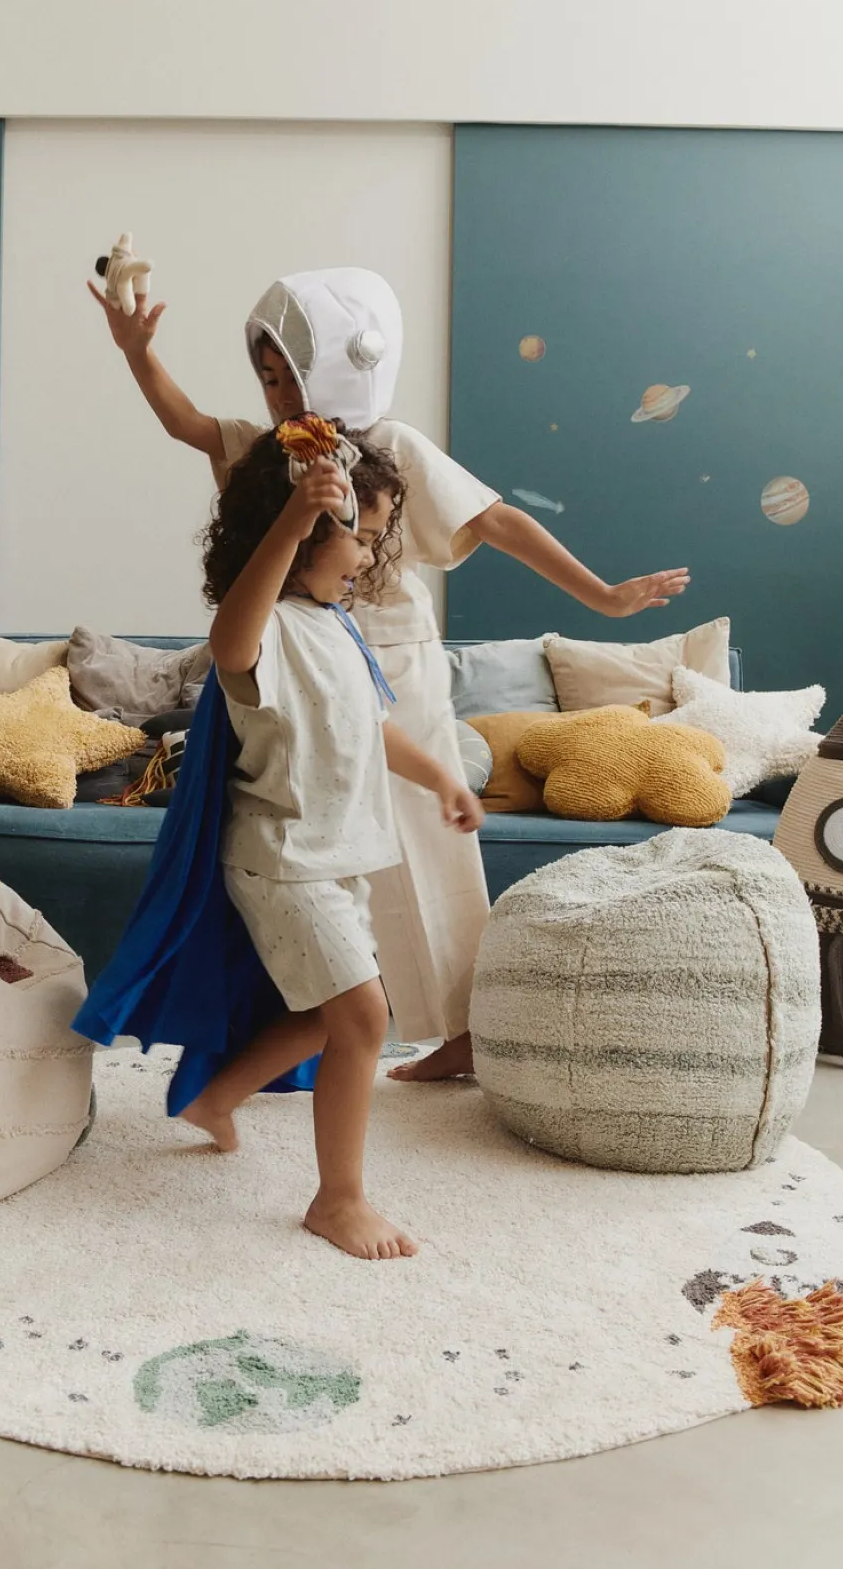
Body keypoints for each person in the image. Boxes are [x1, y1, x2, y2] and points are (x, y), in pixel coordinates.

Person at [89, 264, 690, 1082]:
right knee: (294, 840)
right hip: (297, 655)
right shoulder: (273, 457)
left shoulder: (393, 447)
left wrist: (602, 596)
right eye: (266, 378)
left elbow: (497, 520)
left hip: (390, 658)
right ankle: (288, 1029)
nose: (276, 394)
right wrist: (136, 351)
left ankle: (463, 1027)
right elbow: (188, 423)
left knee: (427, 844)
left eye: (288, 375)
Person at [154, 416, 482, 1259]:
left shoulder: (338, 625)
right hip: (284, 862)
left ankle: (214, 1099)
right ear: (301, 529)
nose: (369, 558)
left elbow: (373, 727)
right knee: (366, 1017)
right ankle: (338, 1199)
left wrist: (441, 779)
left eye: (376, 540)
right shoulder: (266, 627)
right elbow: (230, 640)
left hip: (339, 859)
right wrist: (295, 517)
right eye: (360, 538)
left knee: (319, 1019)